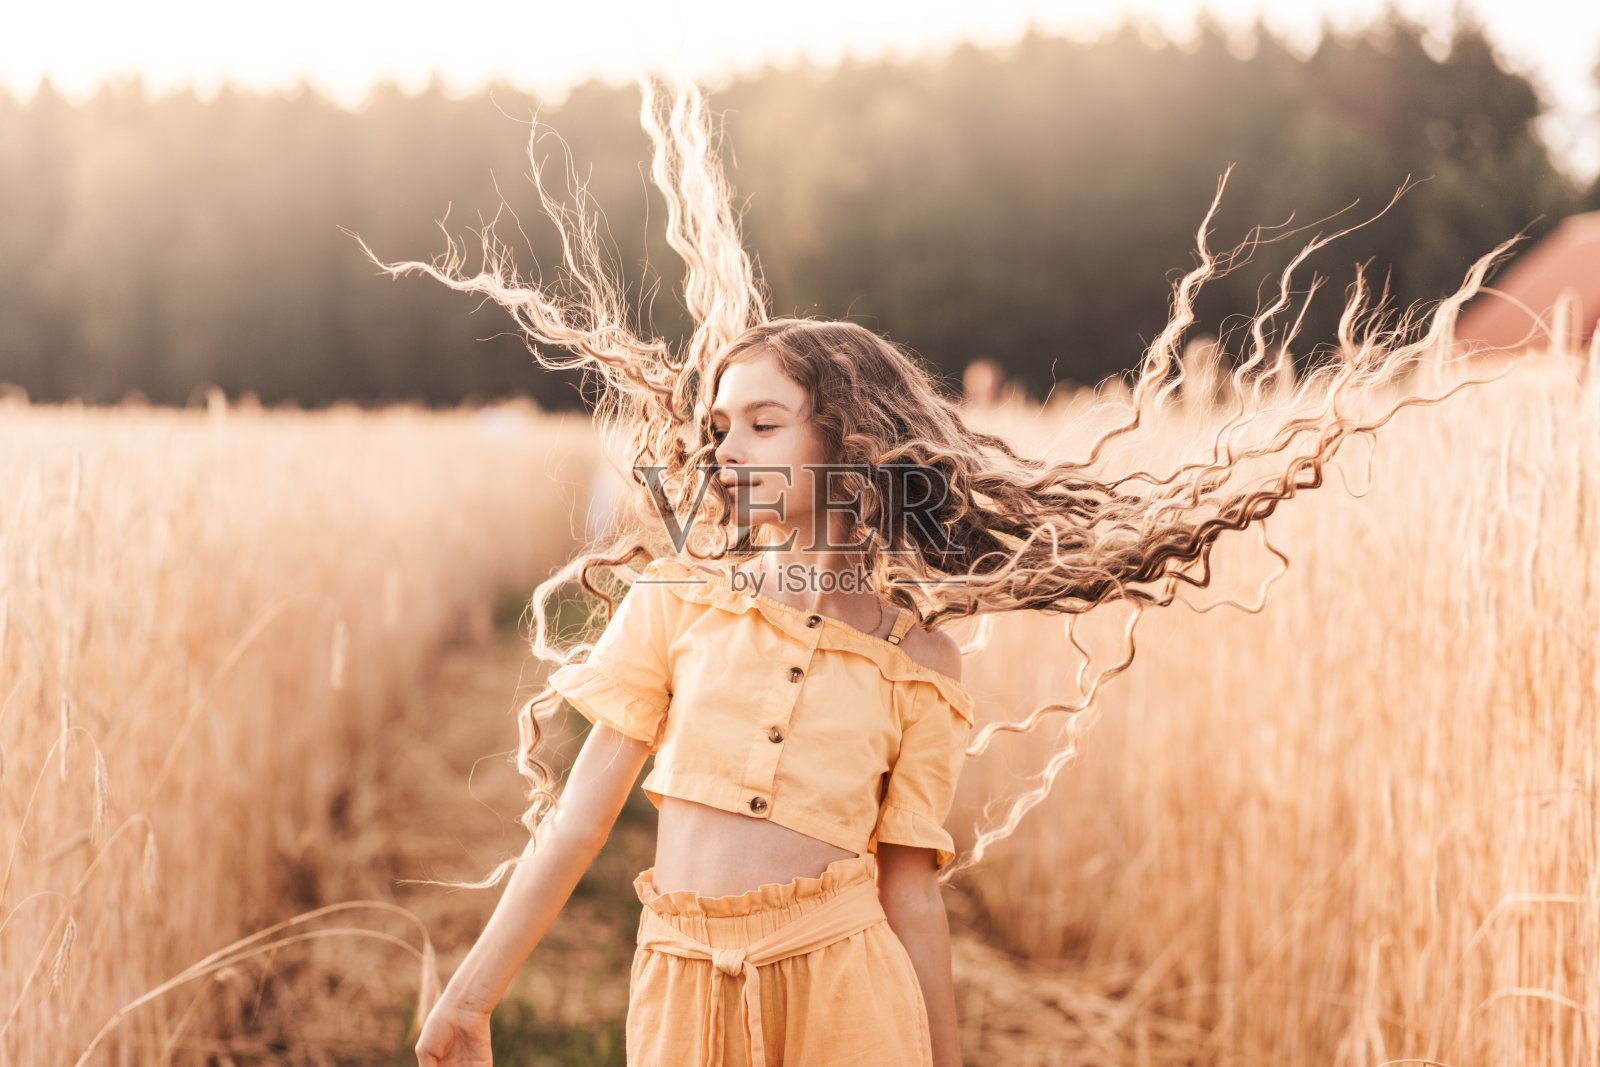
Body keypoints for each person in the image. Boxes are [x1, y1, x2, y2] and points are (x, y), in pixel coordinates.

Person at [358, 76, 1517, 1067]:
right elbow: (574, 821)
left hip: (846, 990)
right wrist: (471, 990)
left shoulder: (920, 659)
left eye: (760, 421)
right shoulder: (681, 602)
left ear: (843, 438)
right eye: (717, 429)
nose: (724, 447)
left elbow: (910, 892)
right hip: (678, 987)